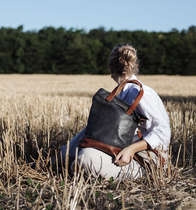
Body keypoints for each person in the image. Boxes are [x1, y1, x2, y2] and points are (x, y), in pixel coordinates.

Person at [58, 44, 171, 180]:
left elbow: (163, 133)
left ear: (110, 68)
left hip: (145, 160)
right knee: (90, 130)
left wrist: (132, 149)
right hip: (119, 150)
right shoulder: (120, 93)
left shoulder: (142, 93)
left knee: (85, 158)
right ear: (135, 66)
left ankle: (67, 163)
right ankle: (59, 159)